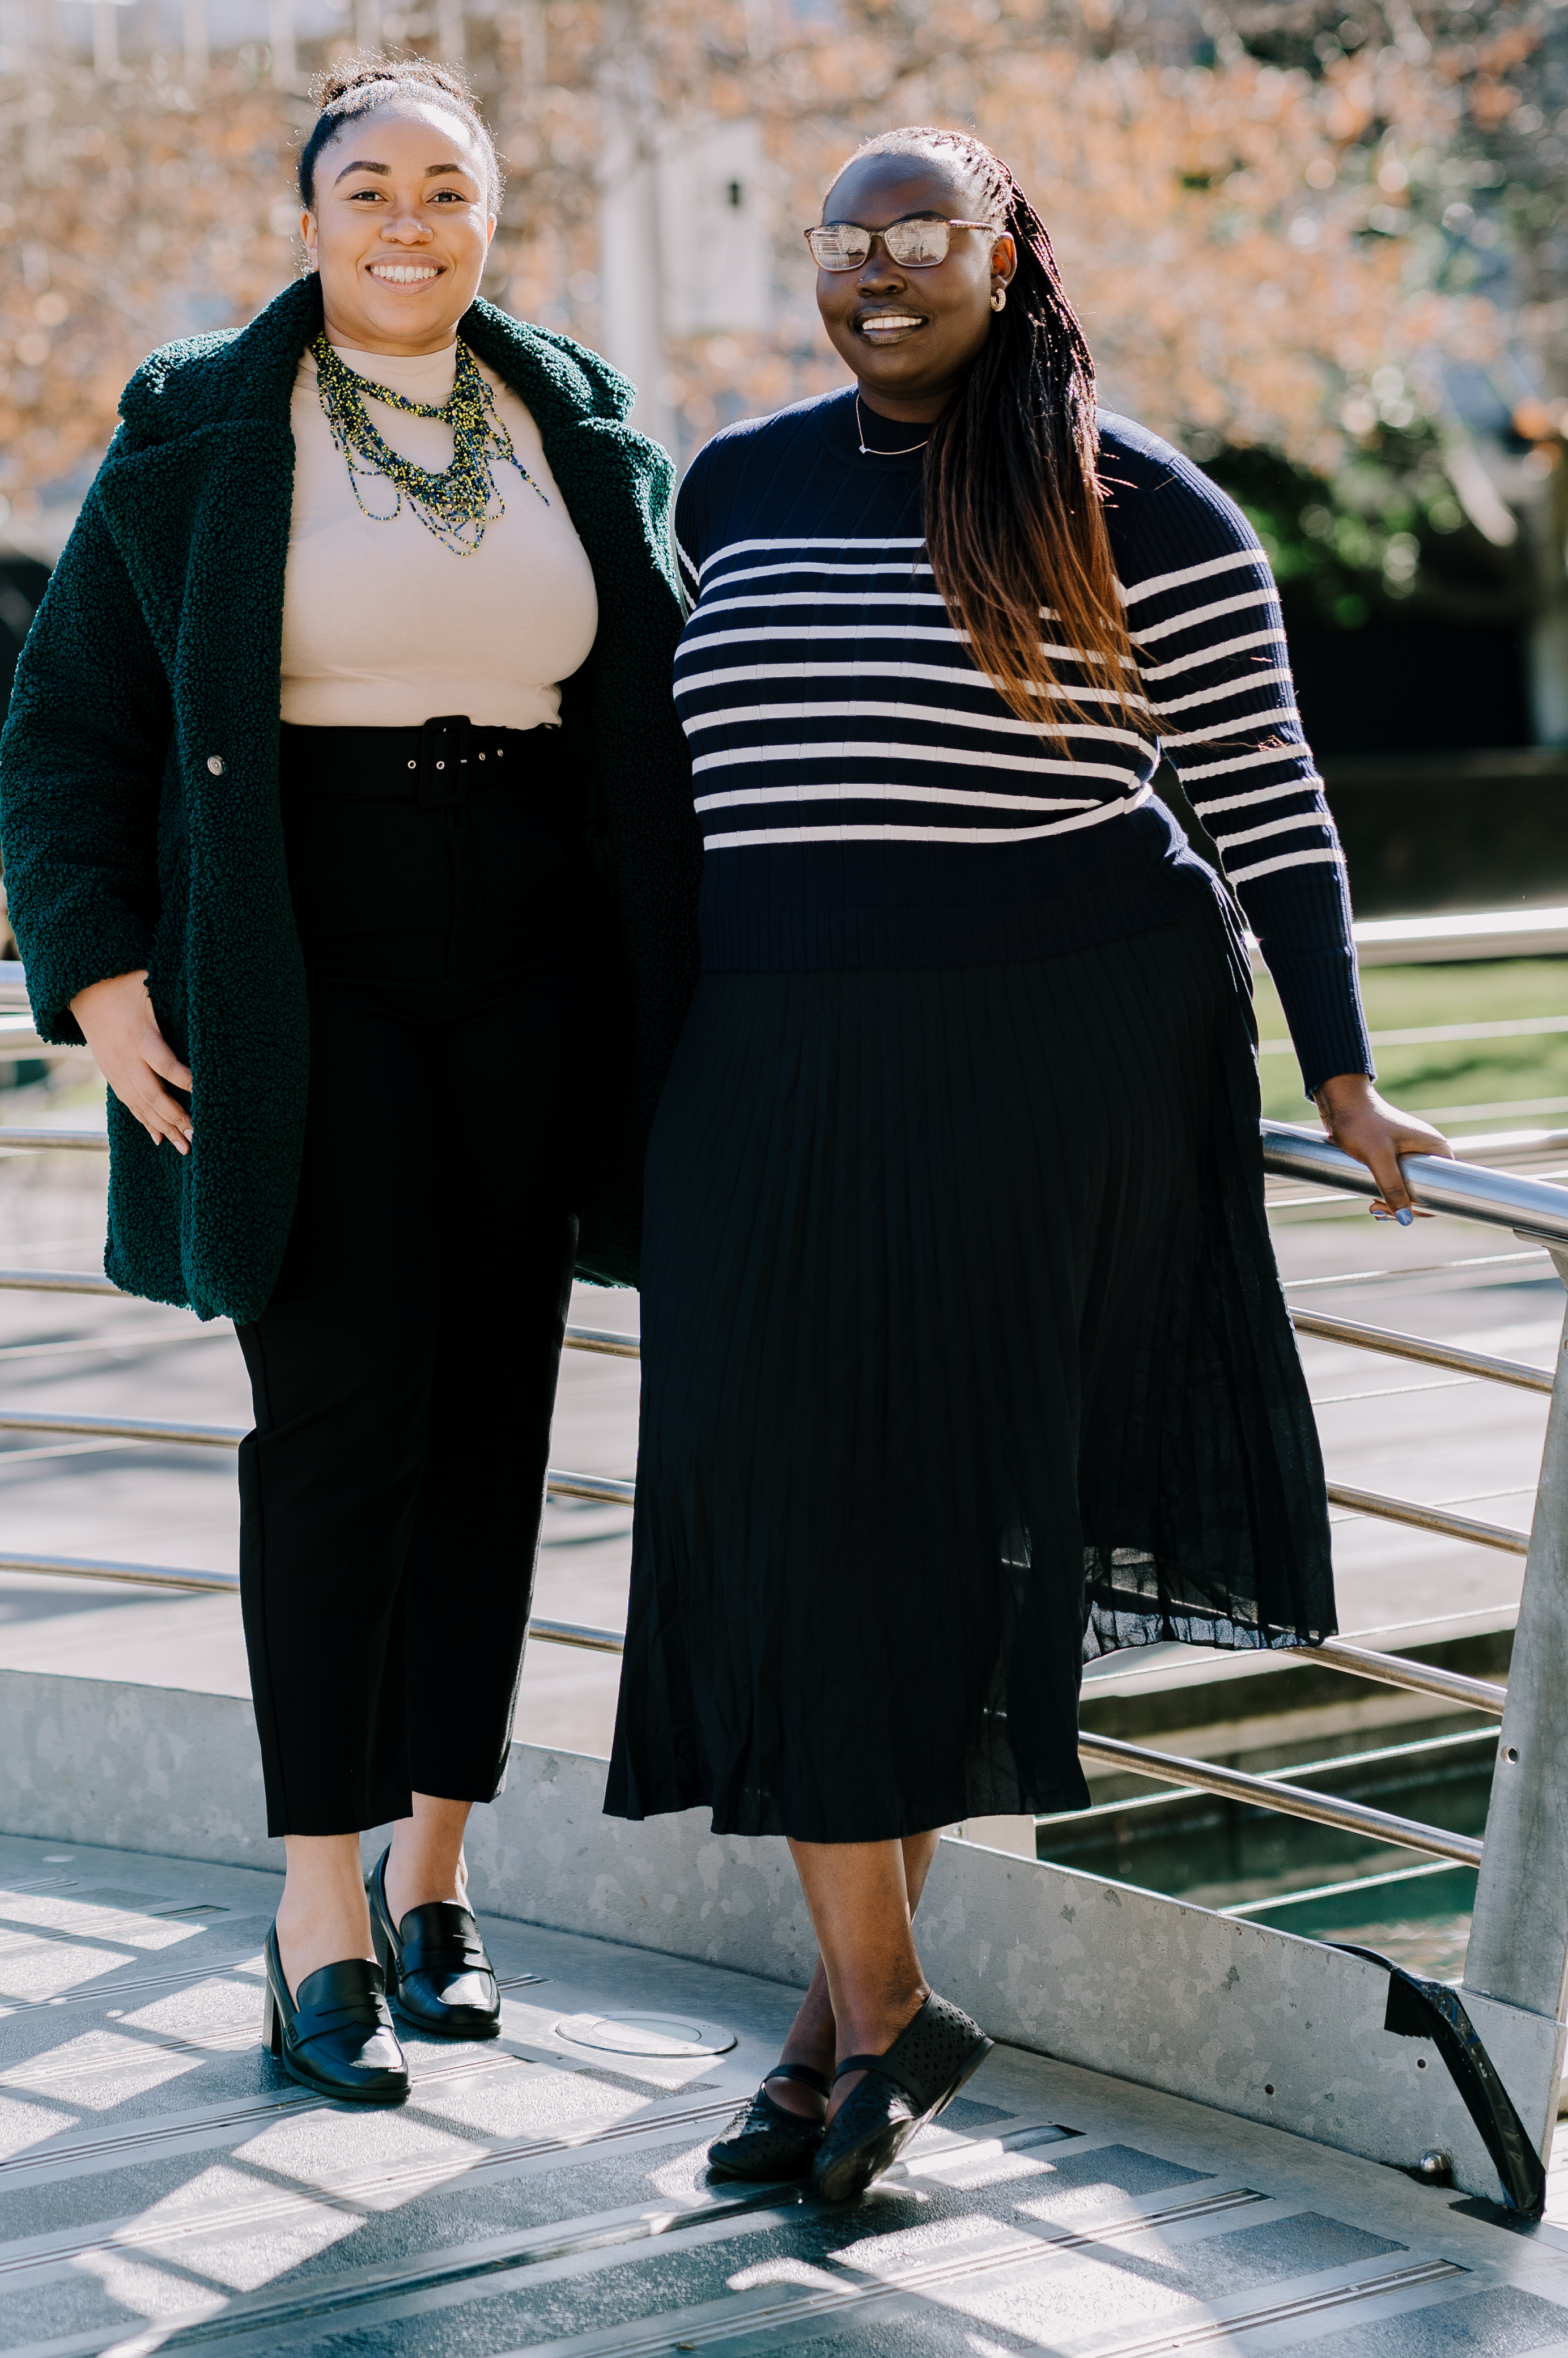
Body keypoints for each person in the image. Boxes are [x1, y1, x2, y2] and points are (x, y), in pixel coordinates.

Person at [604, 123, 1446, 2207]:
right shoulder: (737, 481)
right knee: (787, 1514)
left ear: (1005, 251)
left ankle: (842, 2044)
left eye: (925, 235)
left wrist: (1340, 1077)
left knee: (931, 1537)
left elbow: (1267, 793)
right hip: (771, 1057)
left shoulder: (1135, 495)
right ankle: (881, 2023)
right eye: (848, 239)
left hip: (1040, 1054)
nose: (883, 270)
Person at [0, 54, 699, 2111]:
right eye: (370, 185)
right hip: (297, 975)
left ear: (495, 219)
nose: (412, 222)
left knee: (494, 1426)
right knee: (335, 1430)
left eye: (450, 191)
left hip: (536, 971)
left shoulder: (573, 420)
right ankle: (316, 1909)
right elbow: (68, 725)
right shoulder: (200, 428)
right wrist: (100, 978)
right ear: (308, 216)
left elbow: (651, 719)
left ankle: (441, 1881)